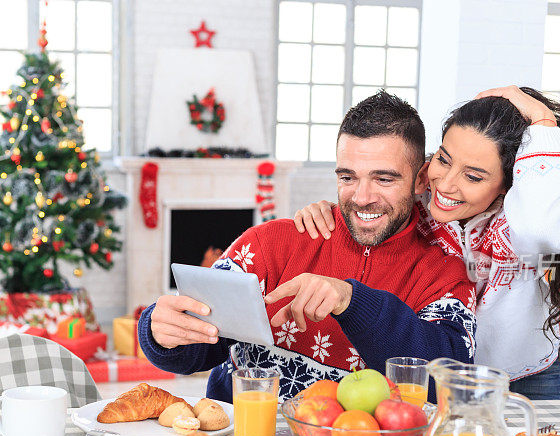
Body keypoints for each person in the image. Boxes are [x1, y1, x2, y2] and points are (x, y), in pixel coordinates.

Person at [294, 86, 560, 400]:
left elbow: (540, 230)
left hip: (522, 373)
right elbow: (374, 196)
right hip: (441, 372)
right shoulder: (421, 193)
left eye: (473, 176)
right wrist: (332, 211)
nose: (447, 184)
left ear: (507, 184)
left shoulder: (523, 219)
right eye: (444, 159)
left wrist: (542, 121)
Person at [137, 91, 477, 403]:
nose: (362, 197)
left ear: (420, 178)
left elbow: (447, 381)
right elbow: (200, 345)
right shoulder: (270, 242)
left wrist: (351, 300)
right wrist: (160, 331)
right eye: (348, 177)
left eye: (384, 179)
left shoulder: (443, 273)